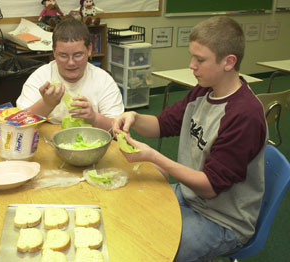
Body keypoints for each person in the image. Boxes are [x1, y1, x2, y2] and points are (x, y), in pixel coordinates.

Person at [112, 16, 267, 261]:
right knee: (131, 212)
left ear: (229, 62)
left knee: (154, 249)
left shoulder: (244, 115)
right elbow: (161, 126)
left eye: (200, 59)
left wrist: (154, 157)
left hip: (223, 220)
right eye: (192, 56)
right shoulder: (204, 91)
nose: (191, 65)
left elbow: (210, 188)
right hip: (191, 196)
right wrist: (133, 117)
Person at [16, 18, 124, 131]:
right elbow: (19, 124)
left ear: (90, 49)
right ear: (54, 52)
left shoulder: (104, 80)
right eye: (63, 56)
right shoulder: (40, 77)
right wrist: (46, 104)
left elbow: (119, 129)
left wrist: (94, 118)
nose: (71, 63)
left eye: (78, 55)